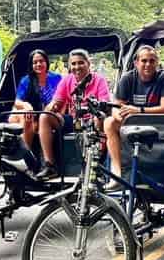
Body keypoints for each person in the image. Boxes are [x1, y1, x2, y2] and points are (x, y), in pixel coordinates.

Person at [35, 49, 110, 179]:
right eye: (73, 64)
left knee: (99, 118)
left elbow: (105, 104)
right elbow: (56, 101)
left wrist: (96, 112)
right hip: (75, 120)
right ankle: (50, 165)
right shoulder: (67, 80)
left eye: (80, 63)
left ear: (88, 64)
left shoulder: (99, 80)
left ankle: (96, 164)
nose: (77, 67)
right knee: (44, 117)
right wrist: (53, 106)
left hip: (93, 119)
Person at [104, 45, 164, 182]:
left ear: (157, 62)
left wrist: (138, 110)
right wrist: (120, 116)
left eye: (152, 61)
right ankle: (117, 172)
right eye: (144, 61)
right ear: (136, 63)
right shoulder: (127, 78)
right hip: (132, 123)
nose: (148, 64)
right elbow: (115, 107)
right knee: (108, 122)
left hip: (158, 123)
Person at [12, 49, 63, 149]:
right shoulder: (26, 80)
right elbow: (17, 102)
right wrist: (26, 105)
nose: (38, 64)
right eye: (35, 62)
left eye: (41, 61)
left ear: (46, 62)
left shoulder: (57, 78)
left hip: (52, 115)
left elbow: (64, 97)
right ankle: (26, 153)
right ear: (31, 65)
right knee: (26, 117)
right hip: (32, 115)